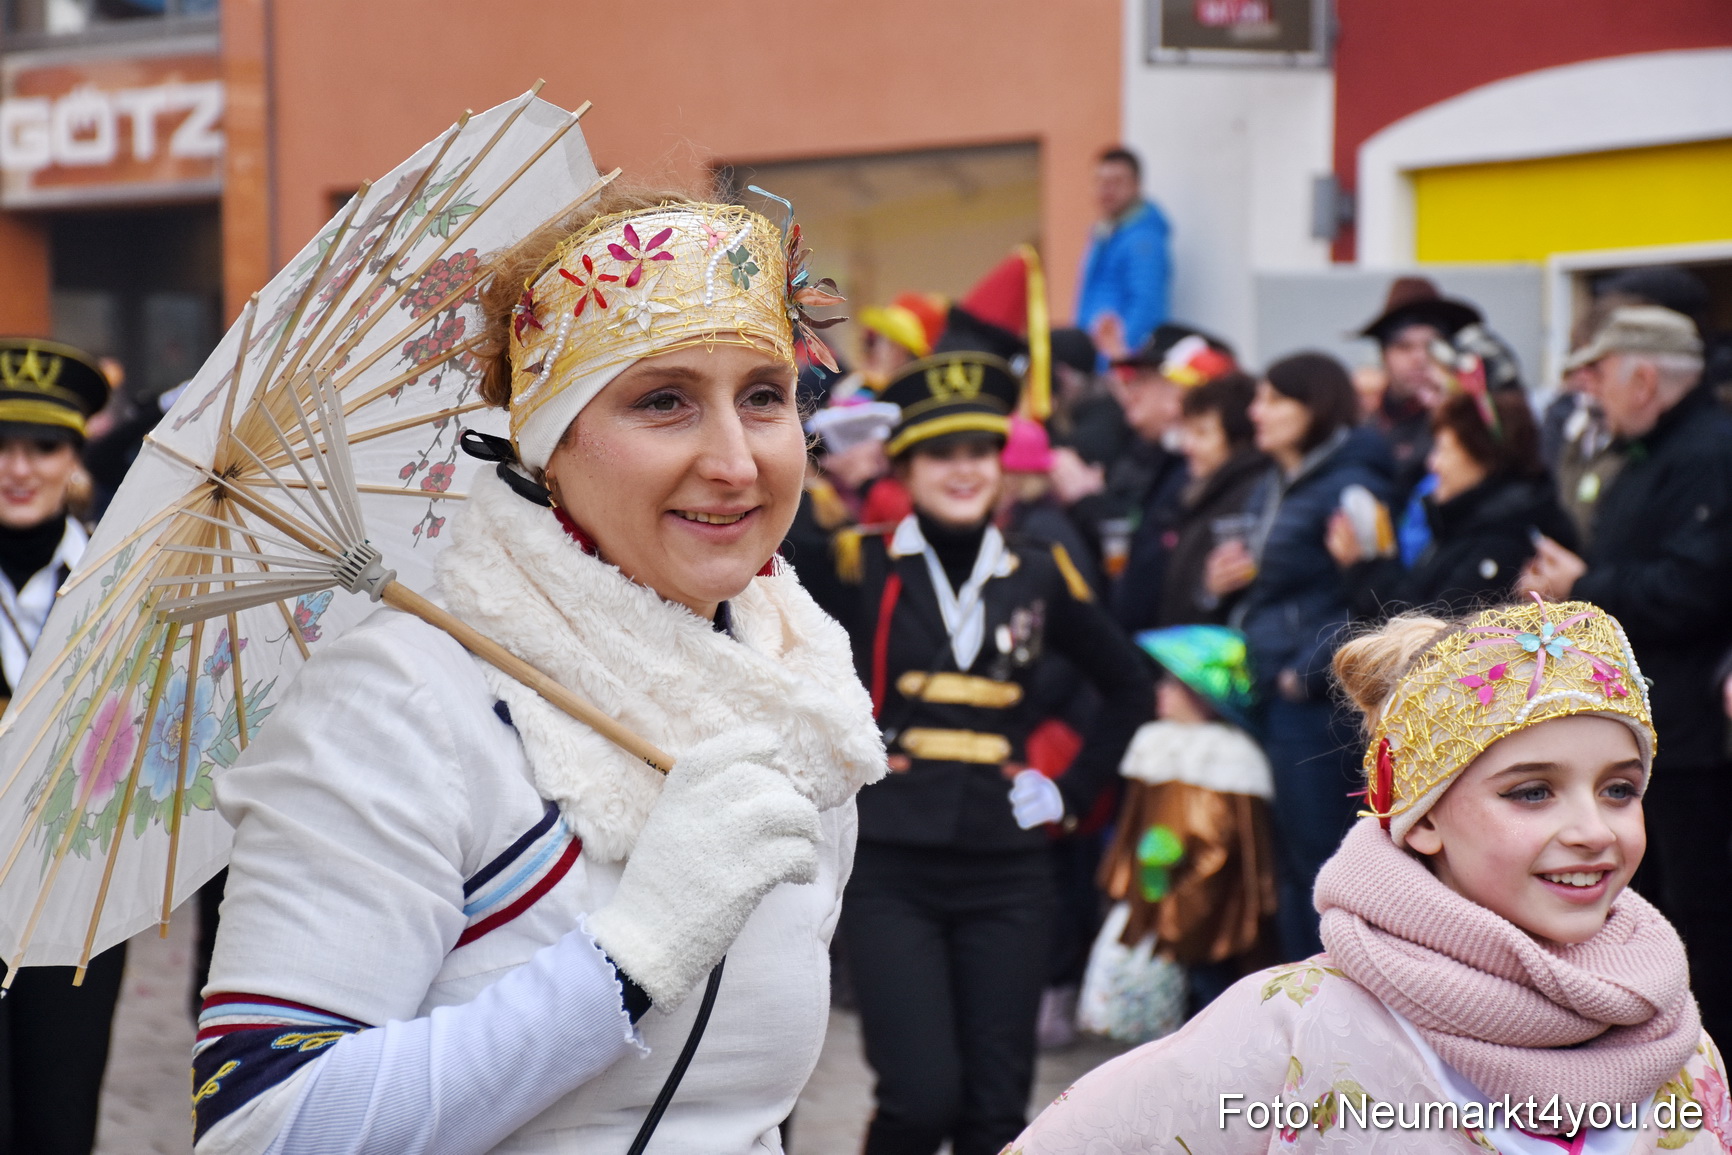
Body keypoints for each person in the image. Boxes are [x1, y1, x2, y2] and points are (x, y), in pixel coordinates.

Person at [191, 189, 888, 1154]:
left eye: (765, 395)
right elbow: (265, 1126)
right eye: (664, 400)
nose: (736, 460)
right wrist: (626, 960)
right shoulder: (401, 702)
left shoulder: (802, 693)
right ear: (546, 444)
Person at [1011, 599, 1729, 1154]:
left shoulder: (1677, 1040)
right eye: (1531, 791)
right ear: (1419, 818)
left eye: (1619, 789)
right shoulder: (1293, 1024)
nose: (1594, 830)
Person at [831, 346, 1153, 1155]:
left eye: (979, 451)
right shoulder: (855, 561)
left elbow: (1129, 686)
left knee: (996, 1113)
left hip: (1008, 869)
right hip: (891, 863)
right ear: (905, 463)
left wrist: (1070, 792)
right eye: (942, 452)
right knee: (919, 1097)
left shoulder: (1038, 571)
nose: (964, 468)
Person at [1518, 304, 1732, 1049]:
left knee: (1696, 920)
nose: (1587, 389)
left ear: (1645, 378)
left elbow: (1694, 587)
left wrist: (1587, 581)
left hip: (1696, 737)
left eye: (1600, 372)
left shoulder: (1709, 453)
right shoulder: (1650, 452)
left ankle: (1699, 1084)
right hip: (1651, 726)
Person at [1204, 351, 1392, 959]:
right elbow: (1275, 586)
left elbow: (1372, 600)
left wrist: (1303, 675)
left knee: (1320, 866)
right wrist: (1218, 584)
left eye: (1273, 400)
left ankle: (1331, 1011)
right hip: (1271, 684)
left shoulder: (1352, 486)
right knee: (1290, 862)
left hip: (1315, 703)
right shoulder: (1274, 481)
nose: (1256, 413)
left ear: (1311, 408)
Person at [0, 337, 125, 1155]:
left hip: (72, 901)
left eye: (42, 446)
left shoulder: (117, 580)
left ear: (74, 452)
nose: (19, 467)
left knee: (56, 1124)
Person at [1086, 624, 1275, 1026]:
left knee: (1208, 992)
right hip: (1151, 894)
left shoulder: (1230, 758)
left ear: (1202, 694)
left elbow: (1228, 845)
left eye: (1174, 682)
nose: (1162, 691)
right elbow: (1132, 824)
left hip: (1204, 902)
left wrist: (1183, 891)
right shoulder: (1154, 744)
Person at [1330, 349, 1576, 618]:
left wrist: (1364, 568)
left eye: (1444, 450)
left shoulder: (1502, 542)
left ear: (1483, 457)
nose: (1433, 463)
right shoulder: (1463, 522)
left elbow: (1428, 631)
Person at [1356, 277, 1482, 514]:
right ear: (1384, 355)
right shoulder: (1362, 422)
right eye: (1404, 347)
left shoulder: (1470, 422)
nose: (1419, 358)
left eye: (1432, 346)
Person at [1156, 370, 1264, 627]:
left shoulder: (1246, 498)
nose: (1187, 445)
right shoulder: (1208, 492)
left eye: (1202, 433)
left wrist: (1209, 592)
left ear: (1238, 439)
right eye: (1187, 432)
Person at [1075, 146, 1171, 363]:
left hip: (1116, 366)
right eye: (1100, 181)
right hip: (1096, 360)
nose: (1106, 189)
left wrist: (1118, 362)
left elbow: (1146, 307)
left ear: (1136, 186)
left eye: (1117, 182)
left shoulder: (1143, 241)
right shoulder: (1105, 234)